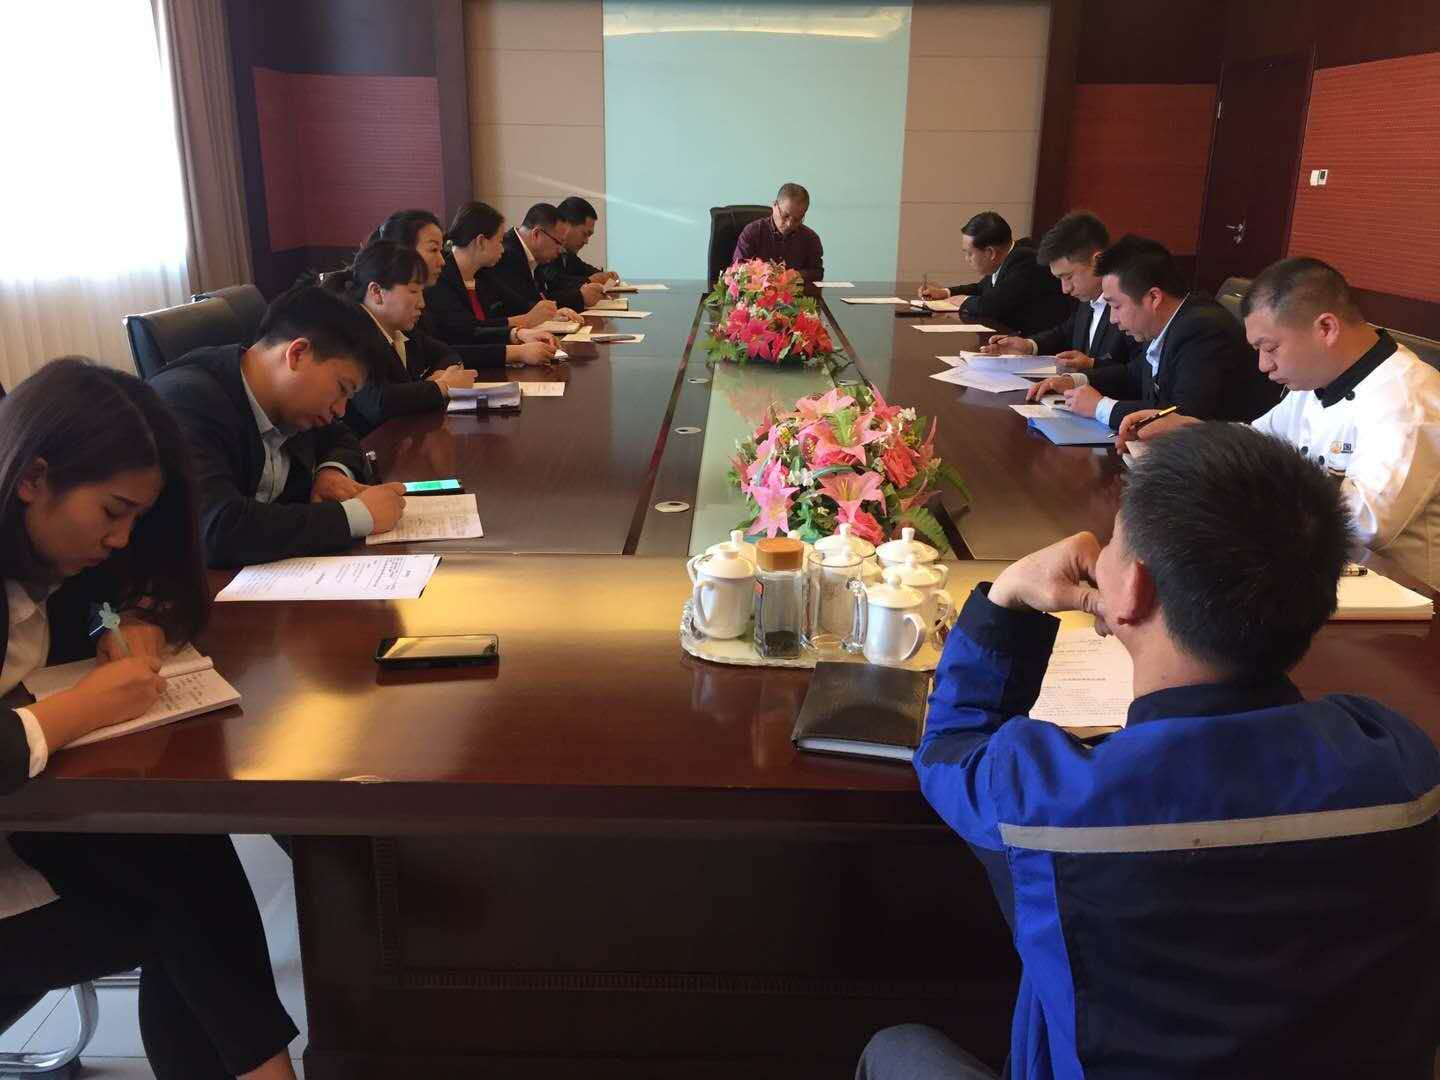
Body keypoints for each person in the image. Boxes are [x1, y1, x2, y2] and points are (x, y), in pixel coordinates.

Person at [858, 423, 1440, 1080]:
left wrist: (1008, 601)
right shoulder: (1404, 765)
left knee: (895, 1049)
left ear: (1131, 590)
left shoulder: (1052, 803)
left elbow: (951, 747)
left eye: (1112, 543)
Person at [0, 358, 302, 1080]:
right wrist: (74, 712)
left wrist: (130, 622)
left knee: (182, 854)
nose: (122, 539)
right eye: (113, 512)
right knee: (184, 899)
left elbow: (112, 599)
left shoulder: (41, 545)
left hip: (23, 819)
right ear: (34, 477)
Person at [1116, 257, 1440, 589]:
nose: (1263, 365)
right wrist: (1192, 431)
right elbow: (1260, 440)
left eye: (1270, 348)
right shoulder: (1317, 378)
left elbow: (1366, 524)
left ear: (1326, 329)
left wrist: (1255, 481)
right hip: (1316, 567)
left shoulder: (1406, 399)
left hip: (1403, 595)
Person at [148, 285, 407, 567]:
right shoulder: (186, 401)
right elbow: (216, 529)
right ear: (297, 354)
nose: (341, 409)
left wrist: (332, 472)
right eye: (342, 388)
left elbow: (340, 437)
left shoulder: (293, 405)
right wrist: (354, 517)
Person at [1026, 235, 1282, 428]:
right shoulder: (1166, 324)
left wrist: (1102, 408)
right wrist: (1076, 381)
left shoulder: (1203, 330)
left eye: (1116, 306)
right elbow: (1133, 374)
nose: (1112, 318)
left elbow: (1184, 416)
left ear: (1153, 298)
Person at [327, 242, 557, 437]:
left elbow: (447, 353)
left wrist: (440, 377)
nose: (422, 303)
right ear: (377, 292)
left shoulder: (402, 328)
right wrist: (441, 386)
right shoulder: (352, 332)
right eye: (413, 291)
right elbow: (378, 403)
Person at [979, 210, 1131, 372]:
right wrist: (1029, 345)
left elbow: (1136, 372)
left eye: (1069, 277)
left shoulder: (1130, 304)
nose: (1065, 289)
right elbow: (1067, 331)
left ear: (1097, 262)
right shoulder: (1088, 297)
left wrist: (1091, 366)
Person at [426, 201, 580, 345]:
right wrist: (522, 326)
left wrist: (548, 314)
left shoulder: (483, 275)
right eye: (500, 241)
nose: (502, 248)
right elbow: (466, 332)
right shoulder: (441, 279)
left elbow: (502, 314)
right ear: (481, 241)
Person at [917, 211, 1070, 335]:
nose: (966, 259)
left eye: (969, 253)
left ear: (990, 253)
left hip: (1041, 347)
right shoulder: (1010, 257)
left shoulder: (1025, 261)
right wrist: (945, 293)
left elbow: (990, 306)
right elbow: (981, 288)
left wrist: (963, 301)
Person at [487, 202, 604, 316]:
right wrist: (579, 297)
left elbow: (542, 297)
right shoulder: (506, 254)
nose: (561, 250)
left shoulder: (535, 256)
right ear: (536, 234)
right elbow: (521, 307)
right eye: (558, 242)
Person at [731, 182, 825, 282]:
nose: (789, 224)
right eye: (785, 216)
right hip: (758, 290)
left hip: (794, 291)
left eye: (797, 219)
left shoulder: (811, 239)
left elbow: (817, 273)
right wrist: (762, 275)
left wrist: (796, 275)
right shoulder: (753, 232)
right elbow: (737, 270)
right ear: (775, 205)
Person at [539, 195, 618, 293]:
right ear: (566, 225)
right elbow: (553, 283)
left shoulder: (567, 254)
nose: (586, 241)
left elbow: (584, 270)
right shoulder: (546, 249)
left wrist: (607, 276)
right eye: (585, 234)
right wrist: (589, 281)